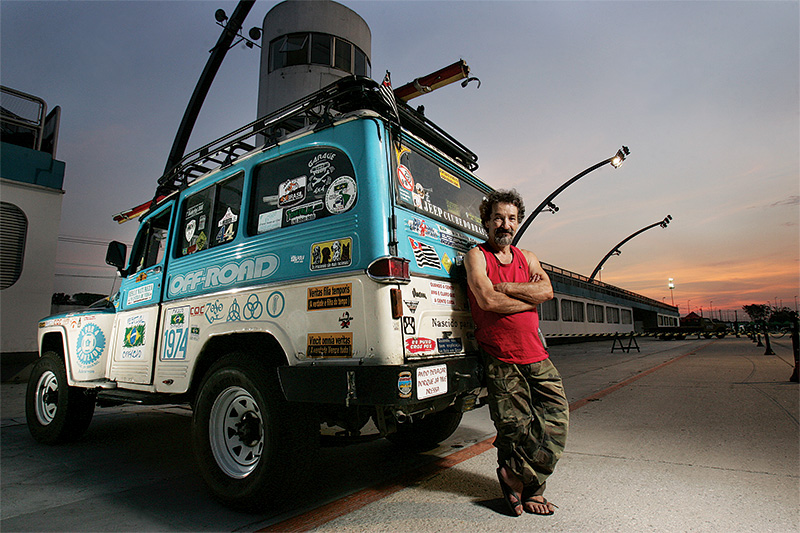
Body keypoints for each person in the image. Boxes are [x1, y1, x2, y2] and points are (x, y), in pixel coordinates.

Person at [464, 189, 569, 517]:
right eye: (498, 218)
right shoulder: (477, 257)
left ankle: (515, 477)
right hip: (501, 356)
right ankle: (532, 489)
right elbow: (487, 301)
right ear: (486, 221)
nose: (504, 224)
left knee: (557, 417)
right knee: (515, 427)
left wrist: (507, 287)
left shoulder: (529, 258)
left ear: (518, 222)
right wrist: (529, 296)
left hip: (537, 354)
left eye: (511, 219)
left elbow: (547, 291)